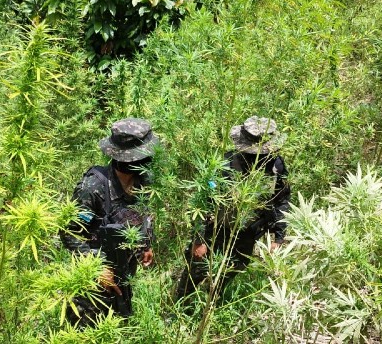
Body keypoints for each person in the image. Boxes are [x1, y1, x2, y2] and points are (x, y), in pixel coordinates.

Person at [174, 116, 290, 305]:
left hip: (248, 233)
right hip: (217, 229)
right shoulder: (224, 165)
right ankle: (180, 308)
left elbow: (281, 200)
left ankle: (211, 305)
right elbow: (203, 202)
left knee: (229, 272)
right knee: (195, 272)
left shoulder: (276, 167)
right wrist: (199, 239)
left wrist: (278, 236)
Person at [60, 118, 159, 326]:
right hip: (92, 279)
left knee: (119, 327)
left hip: (124, 273)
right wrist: (98, 269)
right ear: (128, 159)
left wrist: (146, 244)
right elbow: (69, 232)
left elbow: (145, 214)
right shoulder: (93, 187)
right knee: (85, 332)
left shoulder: (145, 181)